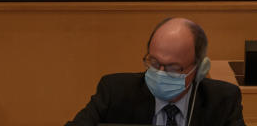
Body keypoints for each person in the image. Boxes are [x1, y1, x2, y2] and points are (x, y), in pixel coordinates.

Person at [66, 17, 244, 126]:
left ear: (199, 69)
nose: (160, 73)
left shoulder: (222, 100)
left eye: (172, 67)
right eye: (154, 62)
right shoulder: (115, 91)